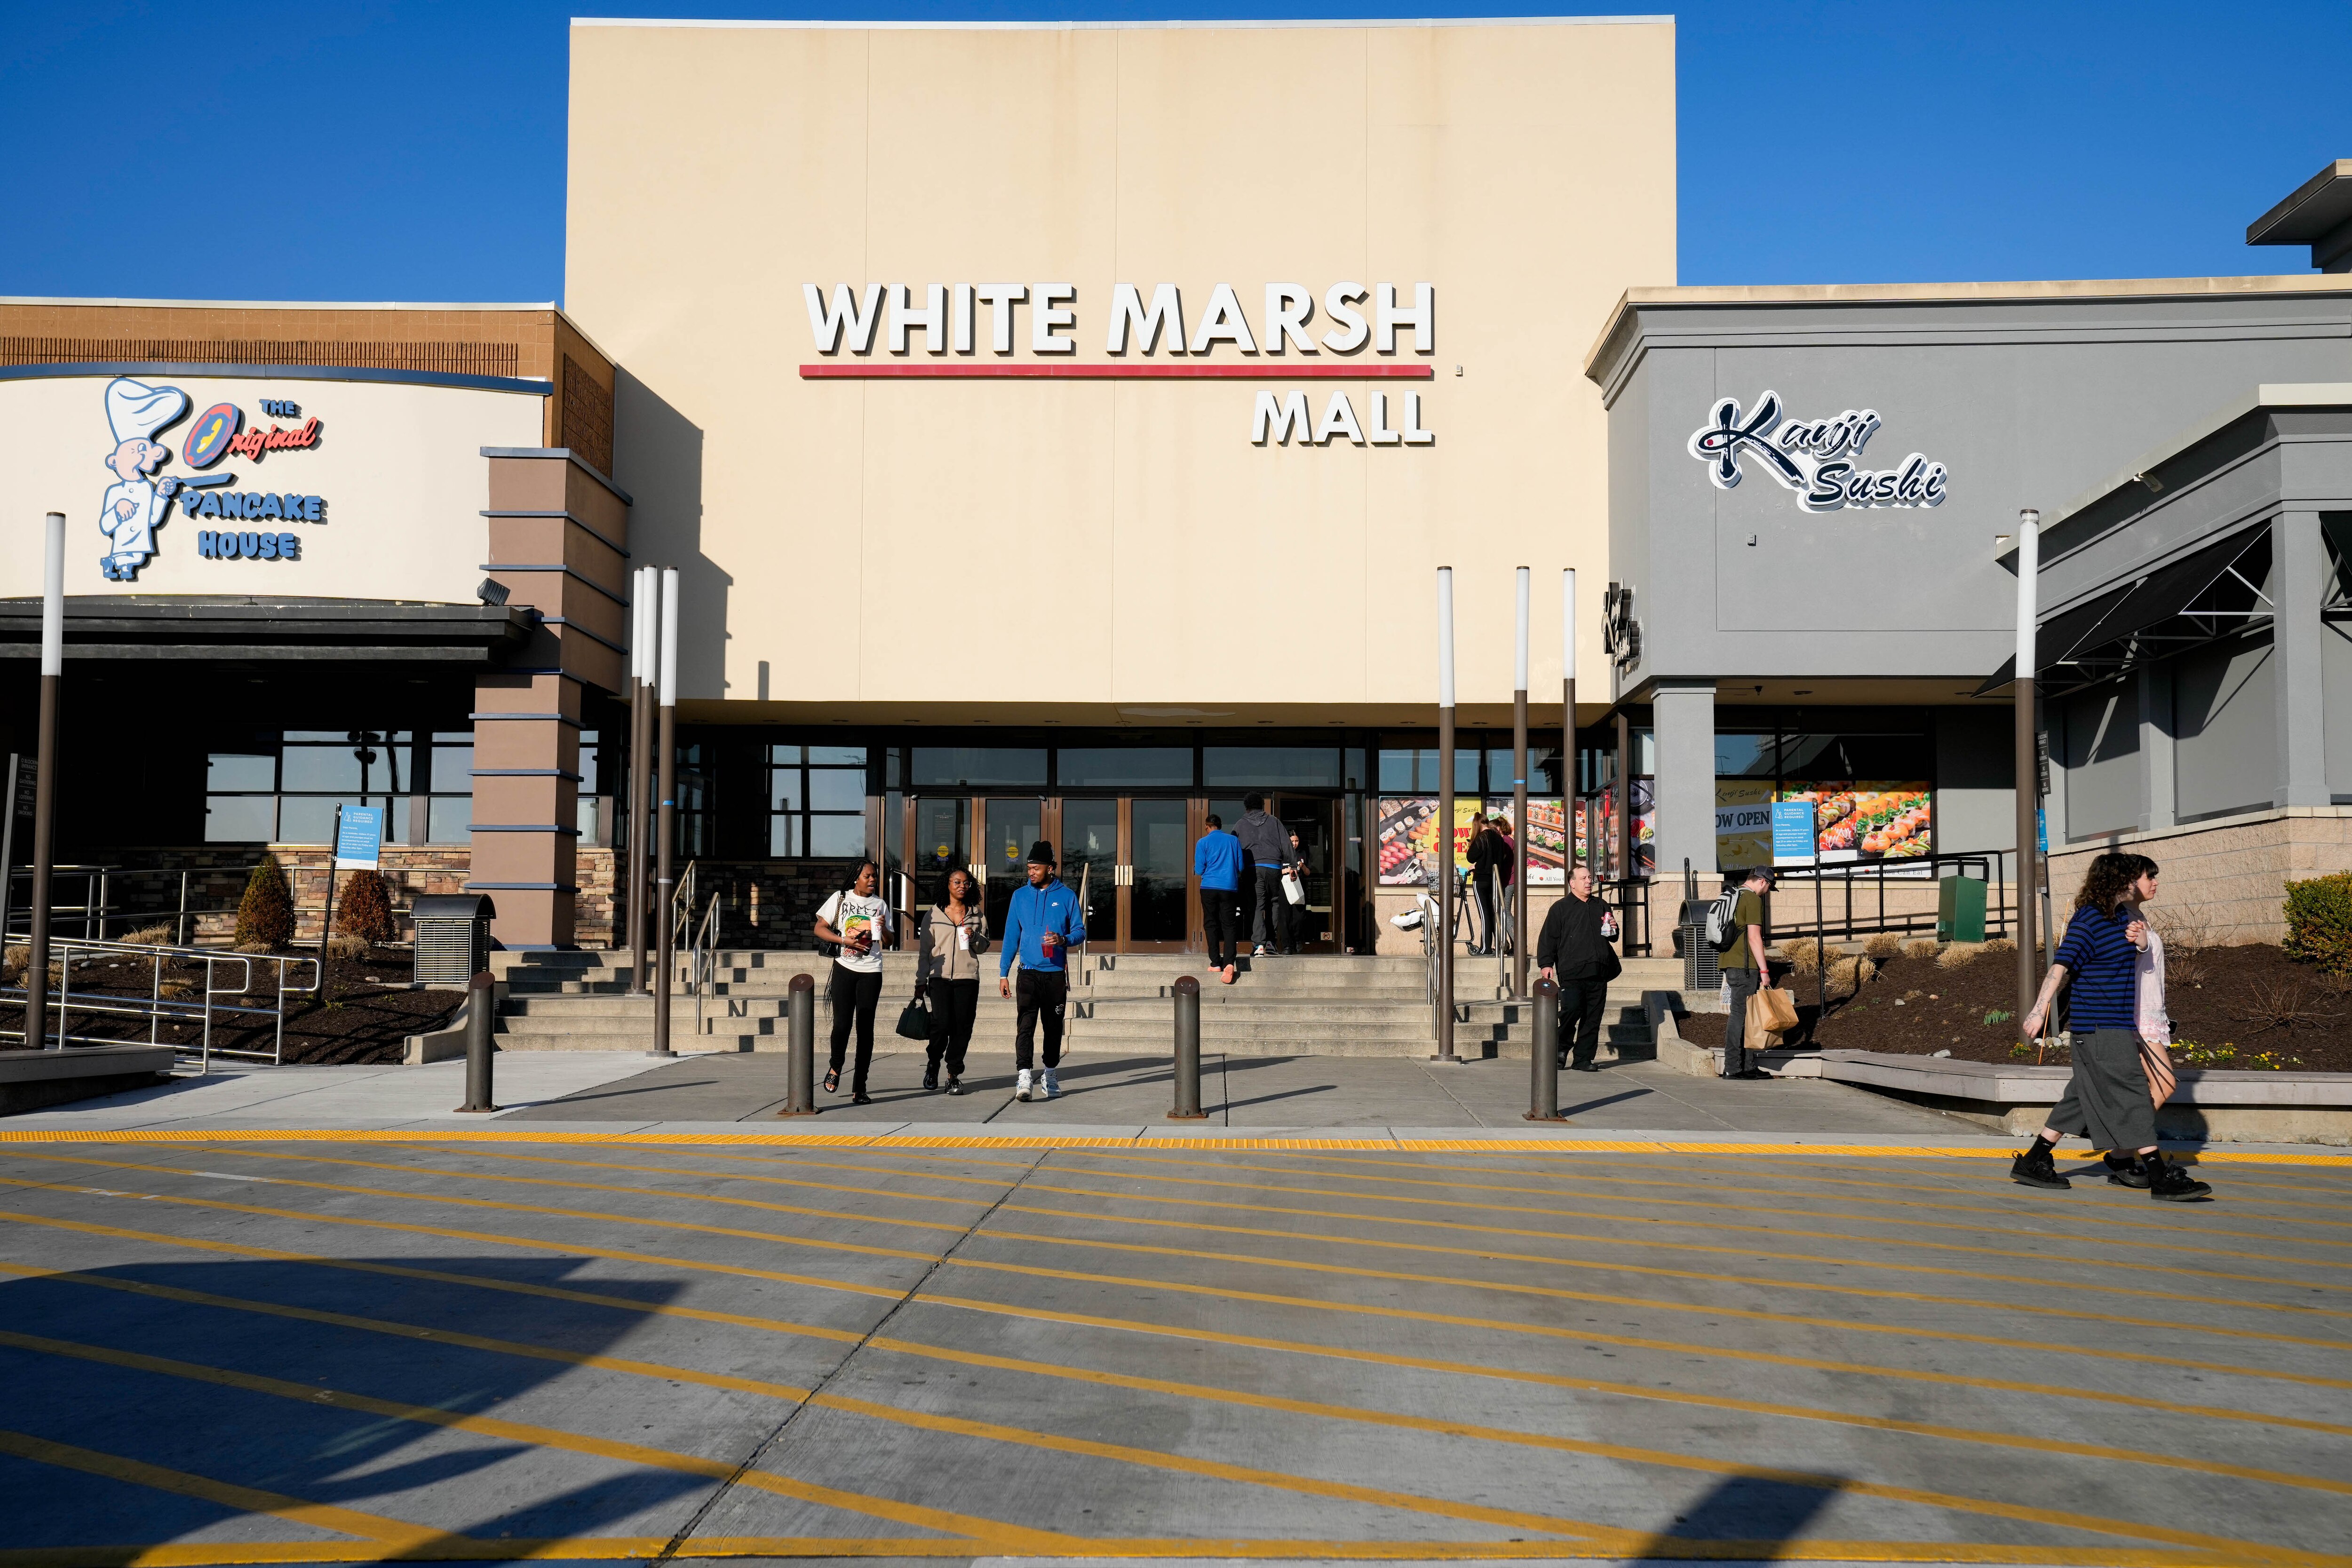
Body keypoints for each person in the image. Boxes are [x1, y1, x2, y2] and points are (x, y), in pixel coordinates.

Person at [2012, 853, 2211, 1201]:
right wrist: (2038, 1011)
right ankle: (2158, 1174)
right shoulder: (2089, 919)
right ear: (2118, 881)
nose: (2139, 882)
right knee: (2134, 1094)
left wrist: (2140, 941)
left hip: (2113, 1024)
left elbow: (2138, 958)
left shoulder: (2121, 917)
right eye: (2133, 878)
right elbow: (2060, 967)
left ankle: (2034, 1160)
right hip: (2101, 1026)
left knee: (2078, 1099)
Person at [1001, 839, 1087, 1102]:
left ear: (1050, 868)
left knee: (1052, 1028)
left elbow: (1080, 932)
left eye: (1036, 868)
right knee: (1025, 1026)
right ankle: (1024, 1075)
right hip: (1027, 973)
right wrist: (1004, 972)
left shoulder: (1067, 896)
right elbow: (1011, 937)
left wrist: (1063, 940)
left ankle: (1050, 1074)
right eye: (1029, 868)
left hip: (1055, 974)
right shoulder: (1019, 896)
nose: (1031, 873)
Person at [813, 860, 892, 1104]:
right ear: (856, 877)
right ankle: (836, 1067)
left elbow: (888, 941)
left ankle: (860, 1086)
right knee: (842, 1025)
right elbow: (820, 928)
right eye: (868, 876)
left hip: (871, 970)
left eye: (875, 876)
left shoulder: (880, 904)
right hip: (845, 968)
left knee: (866, 1029)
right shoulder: (841, 898)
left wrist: (882, 929)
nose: (873, 880)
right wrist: (844, 941)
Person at [1537, 862, 1621, 1073]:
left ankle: (1583, 1059)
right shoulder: (1561, 908)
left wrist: (1614, 929)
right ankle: (1560, 1049)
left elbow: (1612, 936)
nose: (1589, 881)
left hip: (1599, 970)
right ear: (1572, 883)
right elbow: (1549, 938)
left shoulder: (1601, 905)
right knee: (1571, 1011)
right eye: (1584, 878)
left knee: (1593, 1018)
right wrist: (1546, 964)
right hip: (1572, 971)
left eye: (1590, 878)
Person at [915, 866, 985, 1094]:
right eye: (957, 882)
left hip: (968, 978)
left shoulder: (977, 915)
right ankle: (933, 1063)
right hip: (939, 977)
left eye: (966, 883)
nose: (962, 886)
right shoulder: (933, 915)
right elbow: (925, 952)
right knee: (941, 1025)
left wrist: (975, 937)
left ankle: (953, 1075)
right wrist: (921, 980)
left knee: (962, 1028)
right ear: (947, 885)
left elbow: (984, 947)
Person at [1717, 867, 1773, 1080]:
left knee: (1745, 1015)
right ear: (1762, 882)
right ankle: (1733, 1067)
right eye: (1768, 887)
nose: (1766, 892)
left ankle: (1748, 1066)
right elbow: (1754, 938)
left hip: (1730, 962)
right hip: (1745, 965)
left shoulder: (1732, 895)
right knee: (1740, 1015)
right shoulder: (1751, 899)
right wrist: (1764, 970)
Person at [1234, 795, 1292, 957]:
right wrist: (1293, 865)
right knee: (1274, 903)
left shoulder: (1240, 824)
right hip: (1274, 867)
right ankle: (1271, 943)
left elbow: (1233, 847)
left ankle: (1259, 945)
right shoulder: (1274, 822)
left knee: (1257, 905)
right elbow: (1286, 844)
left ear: (1247, 807)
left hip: (1253, 868)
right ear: (1262, 806)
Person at [1194, 813, 1243, 982]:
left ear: (1207, 827)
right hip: (1229, 887)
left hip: (1209, 887)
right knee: (1229, 925)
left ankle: (1216, 962)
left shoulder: (1203, 842)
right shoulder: (1233, 841)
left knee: (1211, 923)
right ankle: (1229, 962)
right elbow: (1240, 866)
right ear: (1220, 826)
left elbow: (1200, 870)